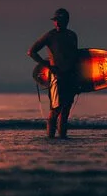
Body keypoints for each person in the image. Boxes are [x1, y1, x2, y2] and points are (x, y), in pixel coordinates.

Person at [27, 8, 79, 138]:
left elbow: (75, 57)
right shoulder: (50, 35)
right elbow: (31, 52)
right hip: (57, 77)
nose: (57, 23)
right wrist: (48, 66)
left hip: (71, 77)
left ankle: (63, 138)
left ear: (67, 21)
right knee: (55, 109)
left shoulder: (72, 35)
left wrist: (78, 78)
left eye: (59, 20)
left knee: (66, 110)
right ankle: (50, 138)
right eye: (55, 20)